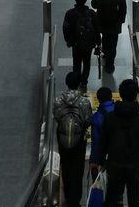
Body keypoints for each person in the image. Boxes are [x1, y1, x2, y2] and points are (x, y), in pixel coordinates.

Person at [100, 78, 139, 207]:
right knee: (134, 198)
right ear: (136, 95)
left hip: (114, 165)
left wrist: (102, 162)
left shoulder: (109, 118)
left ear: (120, 94)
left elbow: (103, 144)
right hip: (134, 167)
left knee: (112, 197)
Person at [54, 71, 92, 207]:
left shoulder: (58, 100)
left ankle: (68, 196)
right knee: (77, 169)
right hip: (78, 139)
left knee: (65, 166)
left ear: (67, 83)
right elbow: (88, 121)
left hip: (63, 137)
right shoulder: (84, 102)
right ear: (79, 84)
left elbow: (57, 117)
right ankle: (75, 201)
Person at [63, 0, 100, 92]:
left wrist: (68, 41)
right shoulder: (92, 13)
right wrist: (98, 42)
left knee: (76, 63)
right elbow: (97, 29)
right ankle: (84, 82)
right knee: (87, 63)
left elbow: (65, 28)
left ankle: (76, 82)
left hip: (76, 44)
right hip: (89, 44)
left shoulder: (70, 13)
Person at [91, 0, 127, 73]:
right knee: (113, 44)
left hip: (101, 22)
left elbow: (93, 5)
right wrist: (120, 21)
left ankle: (105, 54)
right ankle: (110, 66)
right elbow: (123, 9)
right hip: (114, 25)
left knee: (105, 37)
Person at [88, 86, 115, 181]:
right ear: (111, 97)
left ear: (99, 100)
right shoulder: (120, 111)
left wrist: (94, 161)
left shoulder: (97, 117)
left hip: (106, 156)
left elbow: (96, 141)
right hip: (123, 154)